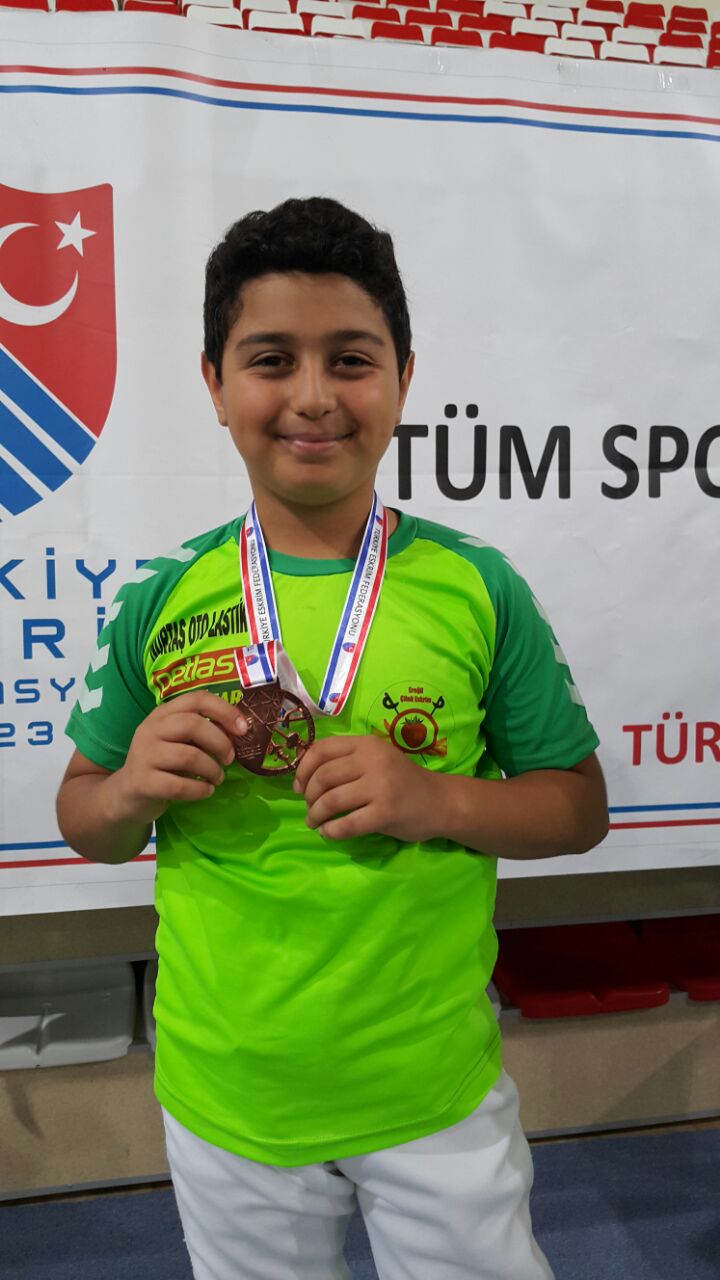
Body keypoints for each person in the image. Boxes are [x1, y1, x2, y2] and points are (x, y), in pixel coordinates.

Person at [56, 196, 609, 1280]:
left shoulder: (476, 587)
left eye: (351, 359)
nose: (313, 395)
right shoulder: (161, 595)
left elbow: (577, 806)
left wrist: (437, 797)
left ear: (403, 377)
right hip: (228, 1092)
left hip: (431, 1087)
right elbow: (85, 815)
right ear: (214, 382)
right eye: (271, 359)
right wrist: (128, 791)